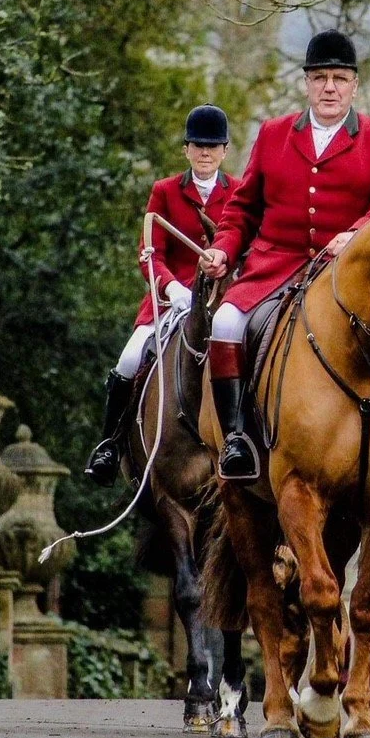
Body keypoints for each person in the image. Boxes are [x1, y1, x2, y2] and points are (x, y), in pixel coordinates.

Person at [199, 29, 370, 481]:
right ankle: (237, 438)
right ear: (307, 83)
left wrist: (355, 234)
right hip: (275, 264)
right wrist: (223, 249)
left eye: (339, 78)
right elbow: (242, 207)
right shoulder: (274, 133)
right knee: (225, 322)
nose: (330, 88)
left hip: (351, 271)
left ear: (354, 84)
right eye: (320, 78)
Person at [85, 105, 237, 486]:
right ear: (186, 149)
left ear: (225, 151)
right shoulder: (166, 191)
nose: (205, 153)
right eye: (198, 146)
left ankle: (245, 440)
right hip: (171, 298)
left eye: (213, 146)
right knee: (129, 358)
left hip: (225, 296)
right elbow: (149, 252)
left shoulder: (238, 193)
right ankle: (110, 445)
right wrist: (172, 287)